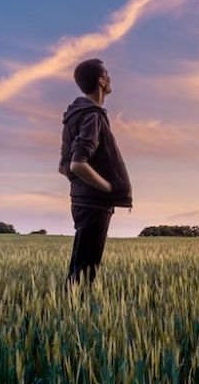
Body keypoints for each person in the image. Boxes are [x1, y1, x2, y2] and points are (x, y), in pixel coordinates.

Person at [59, 58, 133, 293]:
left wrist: (80, 186)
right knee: (86, 271)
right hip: (94, 203)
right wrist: (108, 188)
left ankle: (69, 313)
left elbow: (63, 166)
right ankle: (74, 319)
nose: (110, 78)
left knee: (80, 267)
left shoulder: (73, 116)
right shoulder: (93, 116)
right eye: (107, 74)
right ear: (101, 81)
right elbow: (76, 164)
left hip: (81, 200)